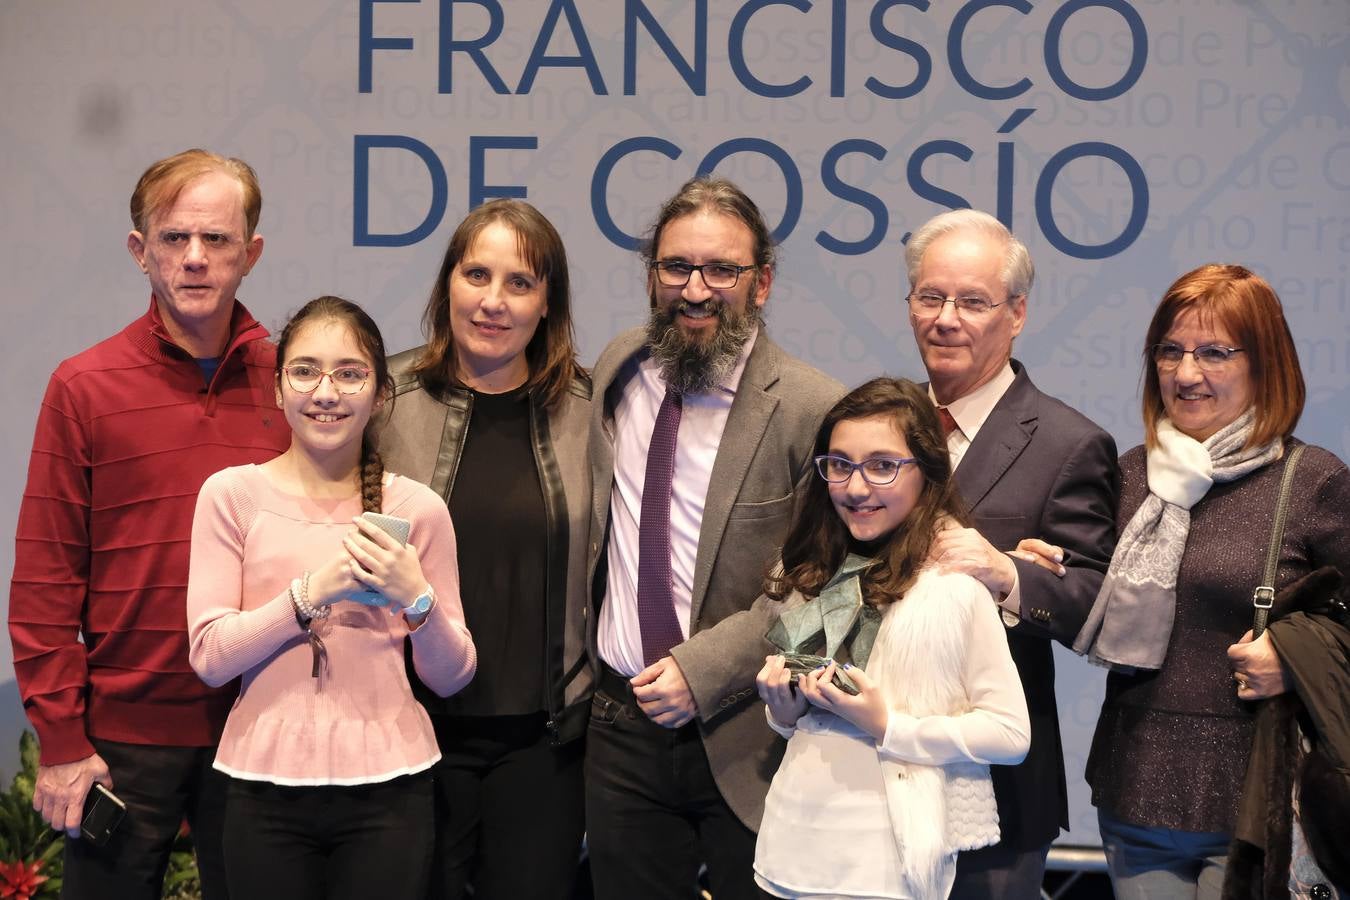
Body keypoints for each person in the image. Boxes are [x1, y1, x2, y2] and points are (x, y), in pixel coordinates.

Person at [8, 148, 288, 899]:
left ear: (251, 253)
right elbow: (45, 582)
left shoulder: (294, 386)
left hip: (261, 731)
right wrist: (62, 741)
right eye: (174, 237)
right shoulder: (83, 387)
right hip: (120, 744)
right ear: (140, 251)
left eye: (217, 239)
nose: (195, 258)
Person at [585, 175, 845, 900]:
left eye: (722, 270)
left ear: (762, 282)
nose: (695, 290)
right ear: (651, 276)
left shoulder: (813, 407)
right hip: (620, 728)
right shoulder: (619, 369)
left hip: (751, 732)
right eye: (677, 266)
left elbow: (824, 584)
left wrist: (703, 670)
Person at [1071, 264, 1350, 898]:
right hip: (1133, 791)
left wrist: (1296, 657)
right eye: (1170, 351)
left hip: (1259, 805)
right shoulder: (1129, 476)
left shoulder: (1314, 481)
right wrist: (1042, 568)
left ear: (1266, 364)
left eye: (1214, 353)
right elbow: (1086, 594)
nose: (1185, 373)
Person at [186, 296, 477, 900]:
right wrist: (307, 596)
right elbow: (211, 656)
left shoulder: (416, 509)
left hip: (391, 791)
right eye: (305, 371)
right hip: (261, 789)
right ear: (277, 389)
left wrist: (416, 599)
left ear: (380, 394)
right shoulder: (231, 496)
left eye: (349, 374)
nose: (326, 392)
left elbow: (453, 676)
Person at [902, 208, 1119, 898]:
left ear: (1017, 313)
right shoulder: (879, 425)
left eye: (973, 302)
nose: (946, 319)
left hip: (994, 785)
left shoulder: (1067, 442)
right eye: (931, 297)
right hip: (873, 771)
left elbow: (1092, 598)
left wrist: (1006, 573)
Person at [377, 199, 591, 900]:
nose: (493, 301)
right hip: (408, 731)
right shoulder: (384, 402)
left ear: (547, 303)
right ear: (448, 284)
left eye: (519, 282)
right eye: (477, 275)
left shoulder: (594, 412)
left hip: (544, 741)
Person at [753, 377, 1031, 900]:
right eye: (840, 465)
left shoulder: (952, 589)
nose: (856, 488)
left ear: (926, 470)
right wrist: (783, 711)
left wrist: (889, 726)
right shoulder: (810, 573)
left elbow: (1010, 735)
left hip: (889, 861)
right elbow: (806, 723)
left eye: (883, 466)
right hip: (792, 843)